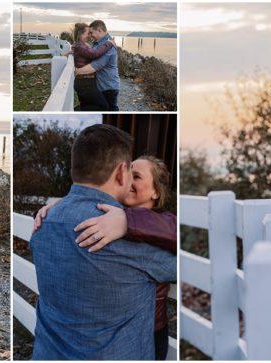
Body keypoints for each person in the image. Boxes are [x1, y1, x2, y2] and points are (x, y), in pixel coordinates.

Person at [30, 124, 175, 360]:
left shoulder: (43, 222)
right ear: (120, 173)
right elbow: (188, 267)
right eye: (131, 172)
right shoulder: (131, 241)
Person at [62, 22, 115, 111]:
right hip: (85, 83)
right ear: (82, 34)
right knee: (103, 106)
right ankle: (73, 111)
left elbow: (87, 53)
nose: (89, 35)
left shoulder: (80, 45)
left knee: (87, 105)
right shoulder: (80, 46)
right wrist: (109, 43)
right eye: (88, 33)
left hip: (85, 82)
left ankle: (73, 111)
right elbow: (95, 54)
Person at [74, 20, 120, 111]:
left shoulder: (109, 45)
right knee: (98, 107)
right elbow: (87, 53)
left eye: (91, 33)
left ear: (99, 30)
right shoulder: (96, 43)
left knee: (111, 110)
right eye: (89, 33)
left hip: (108, 86)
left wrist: (76, 71)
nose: (90, 36)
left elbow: (95, 66)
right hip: (98, 85)